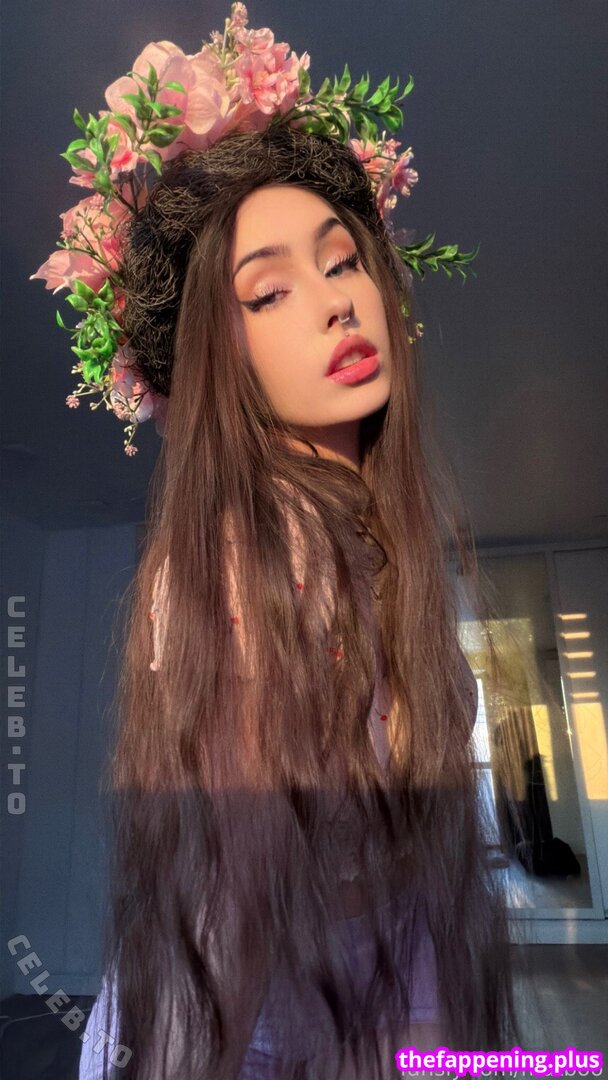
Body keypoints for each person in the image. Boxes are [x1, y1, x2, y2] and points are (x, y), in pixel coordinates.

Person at [31, 7, 522, 1077]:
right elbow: (234, 910)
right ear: (219, 357)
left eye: (342, 262)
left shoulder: (378, 542)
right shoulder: (247, 559)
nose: (337, 305)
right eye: (269, 290)